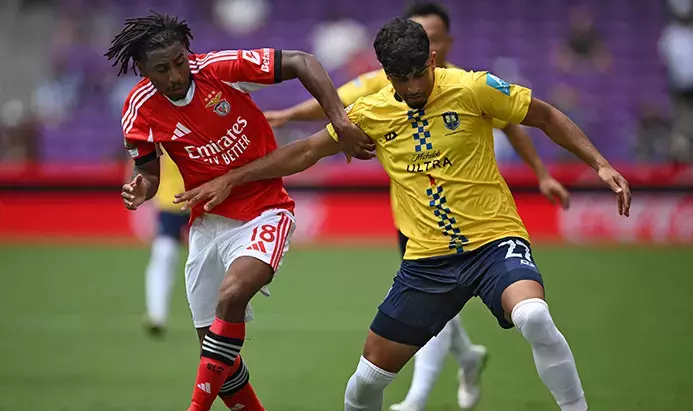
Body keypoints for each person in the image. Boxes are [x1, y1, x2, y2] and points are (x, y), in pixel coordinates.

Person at [175, 18, 631, 411]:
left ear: (432, 60)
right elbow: (305, 152)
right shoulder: (371, 111)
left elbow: (545, 116)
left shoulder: (473, 87)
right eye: (400, 78)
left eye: (418, 75)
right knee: (364, 385)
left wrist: (601, 164)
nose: (412, 88)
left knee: (533, 315)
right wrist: (232, 178)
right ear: (385, 73)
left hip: (495, 243)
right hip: (426, 262)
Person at [264, 3, 570, 410]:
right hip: (416, 225)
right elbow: (333, 107)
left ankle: (417, 398)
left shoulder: (470, 86)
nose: (410, 84)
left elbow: (518, 122)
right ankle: (466, 358)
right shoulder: (380, 89)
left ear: (437, 48)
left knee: (480, 313)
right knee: (433, 316)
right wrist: (288, 116)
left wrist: (542, 173)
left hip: (484, 232)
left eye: (435, 36)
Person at [107, 11, 372, 411]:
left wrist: (341, 121)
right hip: (207, 222)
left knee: (231, 296)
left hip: (265, 209)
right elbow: (149, 173)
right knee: (218, 356)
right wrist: (141, 188)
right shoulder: (139, 110)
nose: (176, 75)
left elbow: (303, 62)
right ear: (143, 71)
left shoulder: (219, 70)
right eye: (162, 69)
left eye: (180, 62)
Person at [142, 152, 189, 337]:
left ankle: (217, 316)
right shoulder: (161, 136)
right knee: (164, 255)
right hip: (170, 202)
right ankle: (156, 315)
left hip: (202, 200)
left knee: (210, 260)